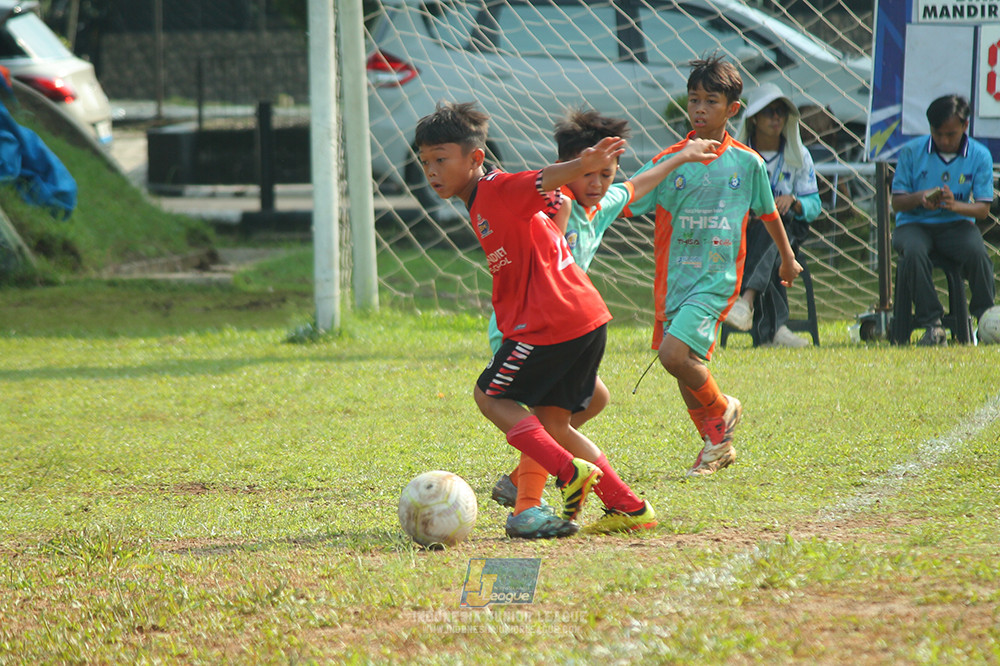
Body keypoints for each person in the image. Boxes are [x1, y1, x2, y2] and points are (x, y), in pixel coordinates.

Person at [414, 101, 658, 539]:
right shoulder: (482, 200)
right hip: (585, 317)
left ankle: (568, 474)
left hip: (548, 322)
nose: (432, 171)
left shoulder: (495, 189)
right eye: (425, 162)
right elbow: (547, 205)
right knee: (556, 424)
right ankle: (629, 507)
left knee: (489, 398)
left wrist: (583, 164)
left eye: (441, 159)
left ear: (475, 158)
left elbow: (542, 179)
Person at [488, 108, 718, 528]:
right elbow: (532, 206)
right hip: (526, 327)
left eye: (605, 174)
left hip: (564, 325)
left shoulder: (602, 201)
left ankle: (532, 479)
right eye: (587, 173)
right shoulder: (554, 204)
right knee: (548, 415)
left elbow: (637, 185)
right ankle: (527, 501)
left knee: (591, 401)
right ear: (566, 170)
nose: (596, 184)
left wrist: (684, 155)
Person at [624, 55, 802, 475]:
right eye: (693, 100)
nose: (700, 109)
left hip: (716, 281)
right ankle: (716, 444)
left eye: (710, 100)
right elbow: (630, 196)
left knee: (672, 355)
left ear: (732, 110)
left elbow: (768, 214)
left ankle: (724, 409)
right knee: (686, 370)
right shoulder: (672, 161)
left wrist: (788, 259)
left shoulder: (747, 163)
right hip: (674, 282)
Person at [890, 94, 995, 346]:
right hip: (913, 224)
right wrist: (919, 197)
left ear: (965, 127)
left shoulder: (980, 155)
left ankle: (986, 319)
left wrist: (954, 205)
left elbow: (982, 210)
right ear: (930, 130)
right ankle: (932, 324)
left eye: (951, 134)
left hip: (956, 224)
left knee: (977, 253)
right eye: (938, 134)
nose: (944, 140)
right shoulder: (912, 152)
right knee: (913, 252)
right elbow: (897, 202)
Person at [727, 83, 822, 347]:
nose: (776, 118)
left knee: (772, 226)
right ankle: (775, 331)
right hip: (743, 230)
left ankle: (746, 300)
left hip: (790, 229)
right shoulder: (738, 155)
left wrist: (794, 201)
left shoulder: (800, 155)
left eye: (781, 112)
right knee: (765, 234)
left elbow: (815, 205)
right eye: (769, 112)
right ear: (754, 118)